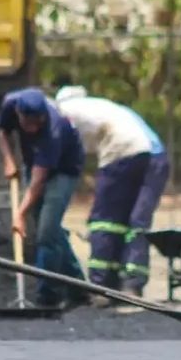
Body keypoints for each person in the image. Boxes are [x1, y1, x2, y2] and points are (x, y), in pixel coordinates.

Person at [54, 86, 169, 300]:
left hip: (123, 152)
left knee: (105, 222)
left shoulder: (63, 110)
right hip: (157, 158)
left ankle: (101, 286)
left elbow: (66, 153)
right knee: (137, 222)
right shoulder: (111, 109)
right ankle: (132, 285)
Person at [0, 87, 86, 308]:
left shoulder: (54, 130)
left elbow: (38, 182)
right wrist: (8, 159)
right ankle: (79, 289)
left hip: (64, 170)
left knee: (46, 233)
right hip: (33, 163)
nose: (33, 128)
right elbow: (3, 132)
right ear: (18, 113)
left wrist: (20, 214)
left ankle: (48, 295)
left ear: (43, 116)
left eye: (38, 123)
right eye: (28, 124)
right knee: (51, 231)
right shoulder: (10, 103)